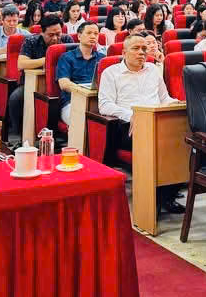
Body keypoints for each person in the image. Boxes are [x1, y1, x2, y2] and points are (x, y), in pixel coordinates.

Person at [96, 34, 182, 213]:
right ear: (124, 52)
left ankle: (167, 195)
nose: (141, 52)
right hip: (127, 125)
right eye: (136, 48)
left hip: (157, 121)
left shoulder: (153, 70)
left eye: (144, 49)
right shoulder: (111, 73)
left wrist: (177, 104)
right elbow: (104, 105)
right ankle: (153, 201)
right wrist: (133, 115)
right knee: (157, 143)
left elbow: (164, 98)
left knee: (183, 140)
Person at [53, 21, 104, 123]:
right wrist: (84, 92)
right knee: (82, 121)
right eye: (89, 33)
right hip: (72, 102)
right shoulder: (66, 57)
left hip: (97, 102)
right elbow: (64, 84)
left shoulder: (102, 58)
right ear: (79, 36)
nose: (93, 36)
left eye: (96, 33)